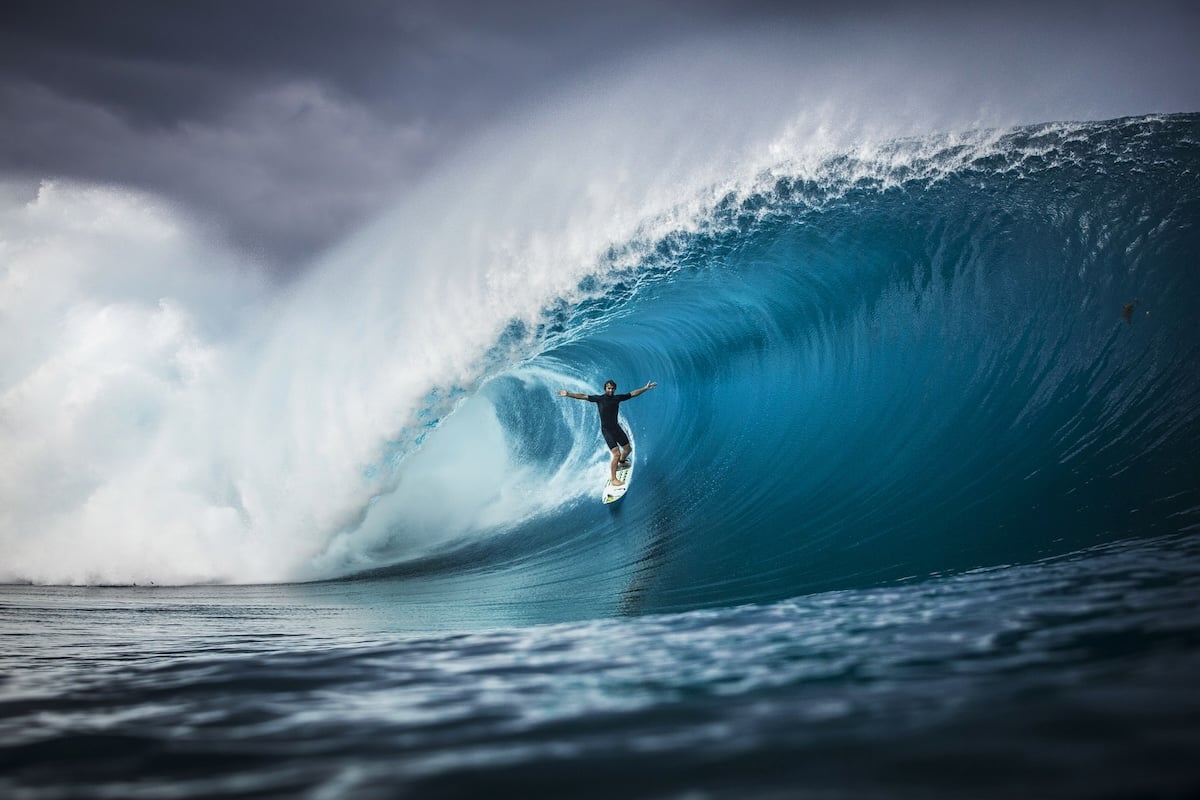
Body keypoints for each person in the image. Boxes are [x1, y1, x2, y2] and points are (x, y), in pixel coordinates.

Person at [557, 379, 657, 486]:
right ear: (605, 388)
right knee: (616, 454)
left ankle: (622, 462)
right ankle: (614, 479)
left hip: (616, 428)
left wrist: (645, 388)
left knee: (628, 449)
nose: (610, 390)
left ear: (615, 389)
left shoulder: (617, 398)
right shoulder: (599, 399)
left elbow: (632, 394)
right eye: (609, 388)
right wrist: (568, 394)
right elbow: (583, 396)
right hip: (607, 430)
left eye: (612, 388)